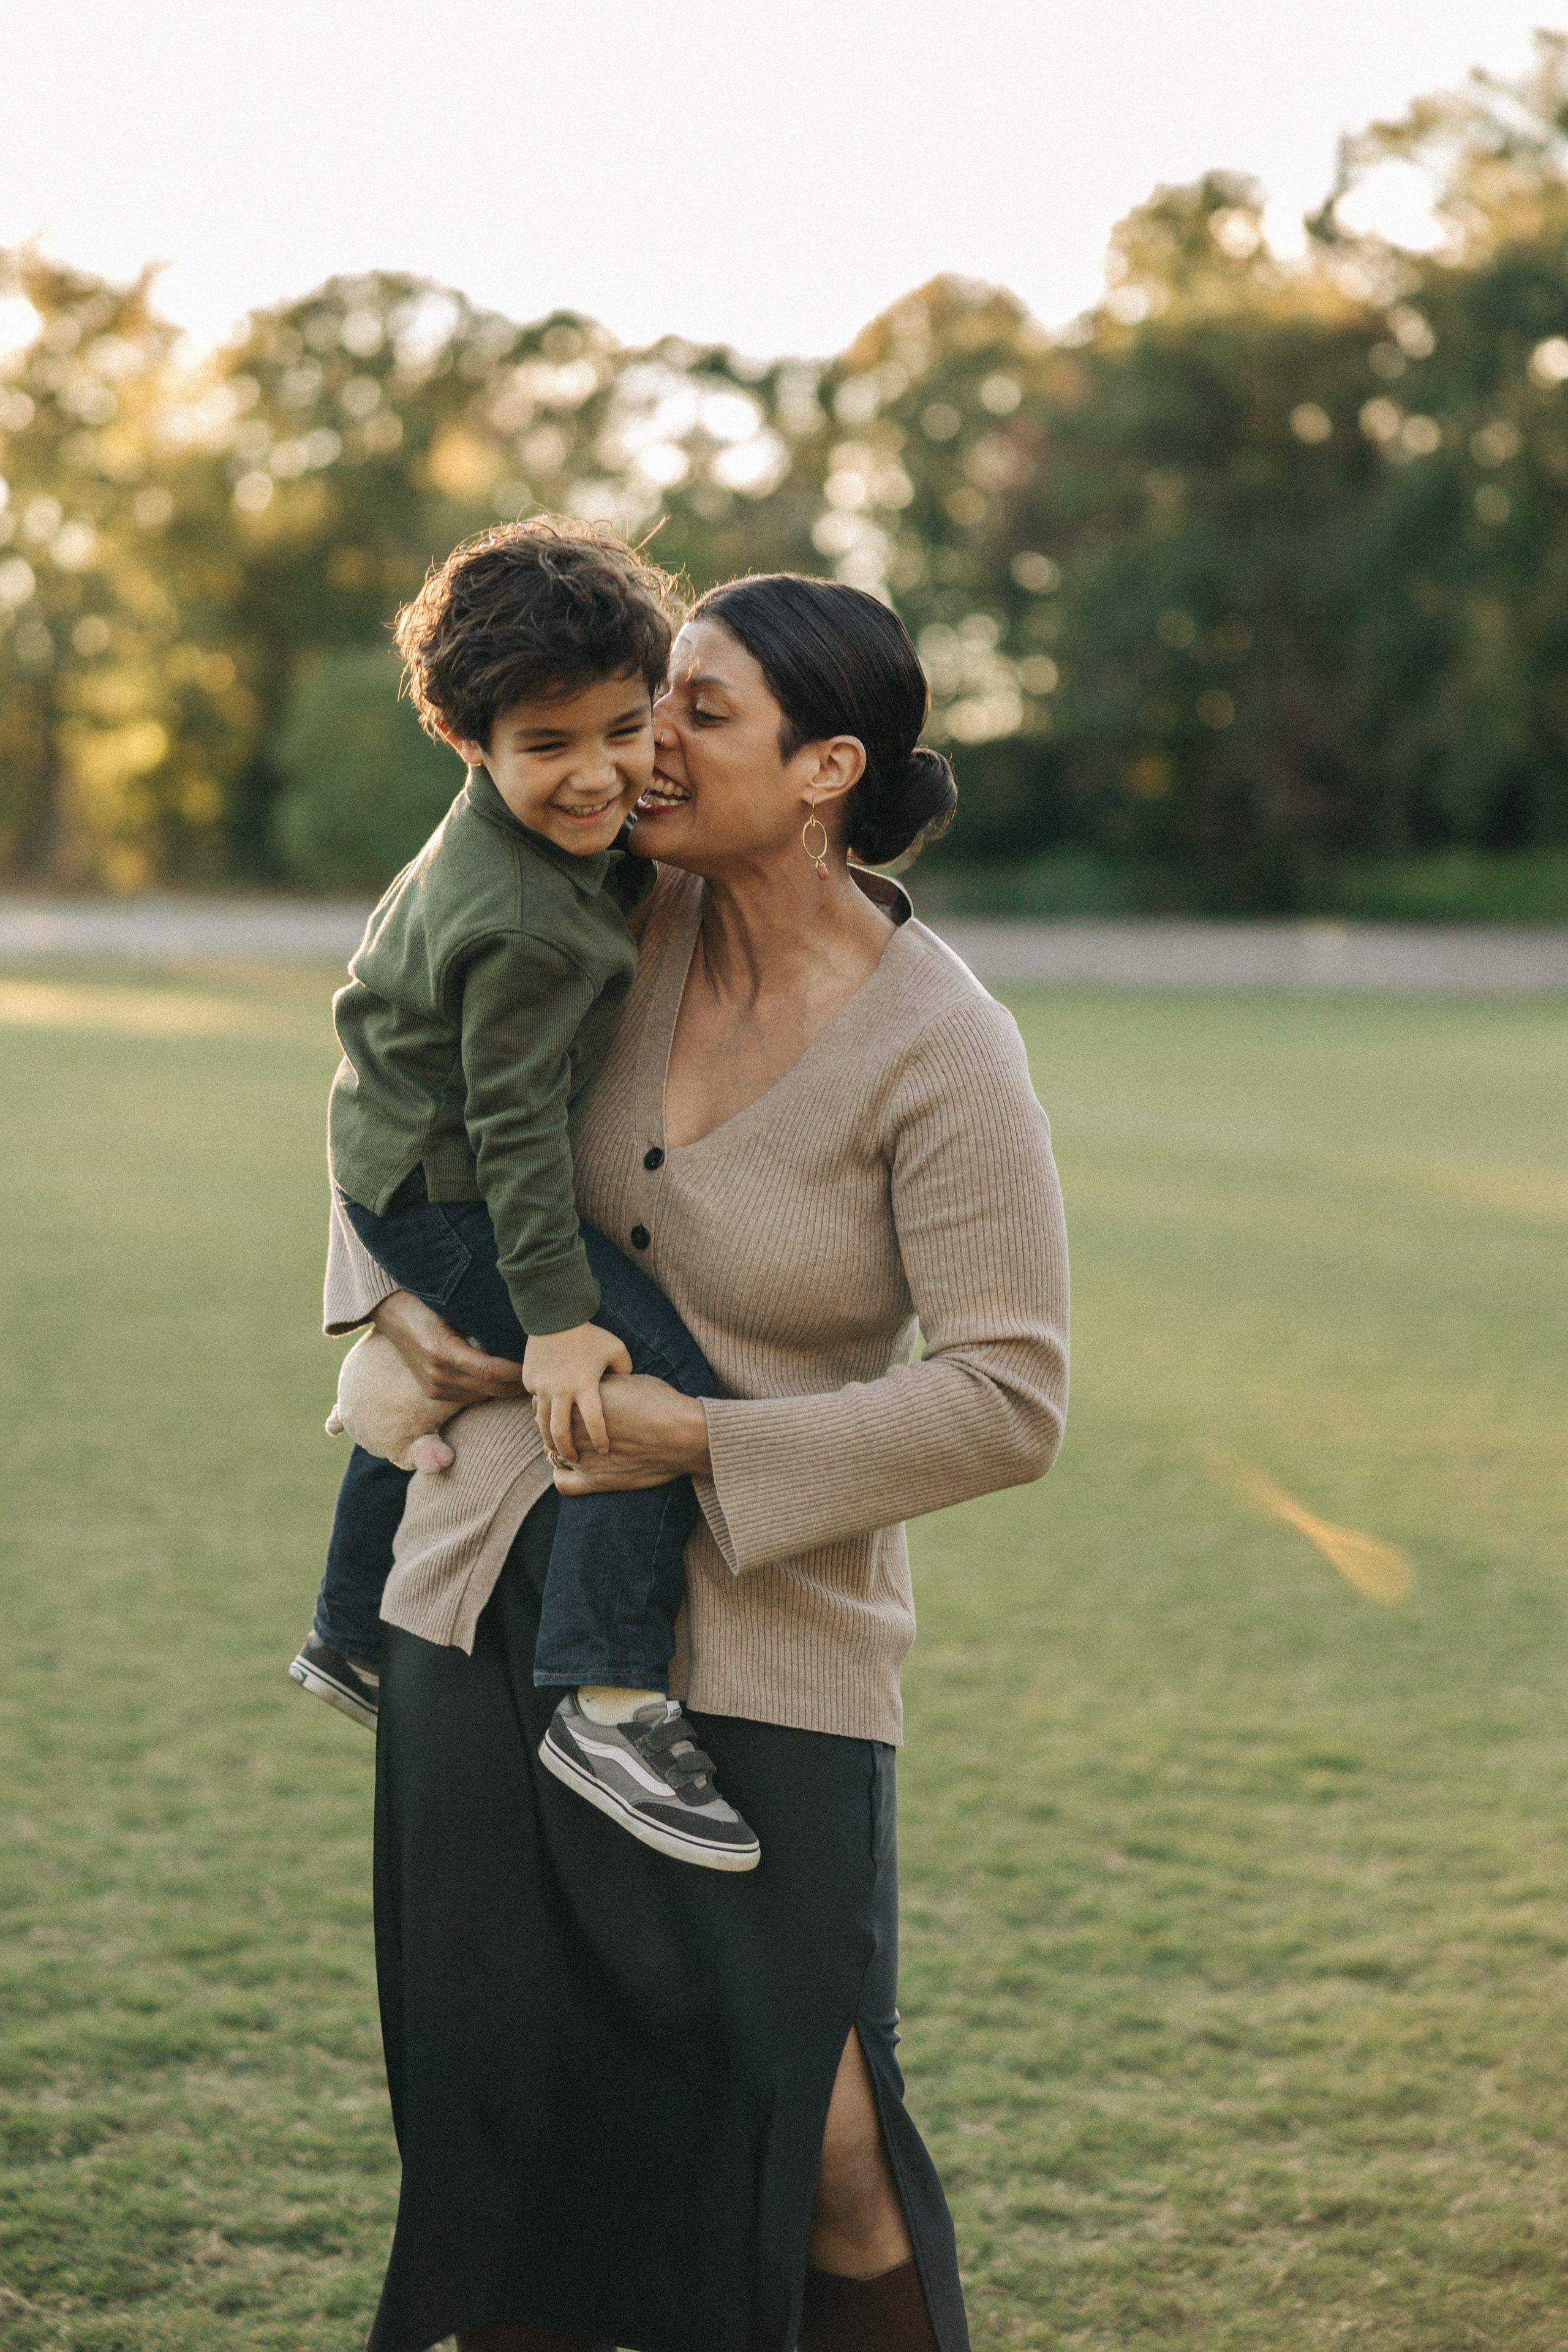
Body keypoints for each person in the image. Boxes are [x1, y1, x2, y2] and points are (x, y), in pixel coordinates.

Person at [323, 572, 1071, 2352]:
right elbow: (391, 1072)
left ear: (825, 770)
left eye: (696, 711)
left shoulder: (943, 1047)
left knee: (817, 2147)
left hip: (765, 1663)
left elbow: (1010, 1400)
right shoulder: (601, 904)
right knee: (510, 2127)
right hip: (478, 1595)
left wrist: (703, 1440)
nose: (646, 743)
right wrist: (381, 1325)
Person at [295, 517, 758, 1871]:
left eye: (623, 730)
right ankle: (607, 1696)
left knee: (461, 1379)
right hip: (447, 1193)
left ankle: (344, 1628)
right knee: (644, 1381)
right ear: (471, 744)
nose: (595, 774)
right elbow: (509, 1142)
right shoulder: (515, 926)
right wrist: (561, 1322)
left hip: (396, 1167)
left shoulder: (529, 852)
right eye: (544, 747)